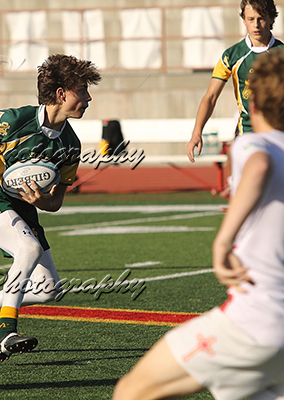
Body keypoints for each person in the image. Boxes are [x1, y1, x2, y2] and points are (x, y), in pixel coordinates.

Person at [113, 49, 284, 400]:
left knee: (131, 392)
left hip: (256, 323)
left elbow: (259, 167)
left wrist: (222, 242)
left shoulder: (253, 142)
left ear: (251, 104)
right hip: (273, 338)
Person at [0, 54, 101, 361]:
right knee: (29, 248)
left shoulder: (71, 145)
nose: (88, 98)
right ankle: (7, 332)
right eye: (82, 90)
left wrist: (41, 201)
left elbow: (55, 202)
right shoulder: (14, 120)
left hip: (22, 206)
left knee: (49, 289)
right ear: (61, 94)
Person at [187, 0, 283, 174]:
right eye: (250, 19)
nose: (256, 25)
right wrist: (197, 132)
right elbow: (210, 97)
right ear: (244, 20)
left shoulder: (281, 54)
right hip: (246, 135)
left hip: (279, 135)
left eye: (261, 18)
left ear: (271, 18)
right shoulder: (231, 56)